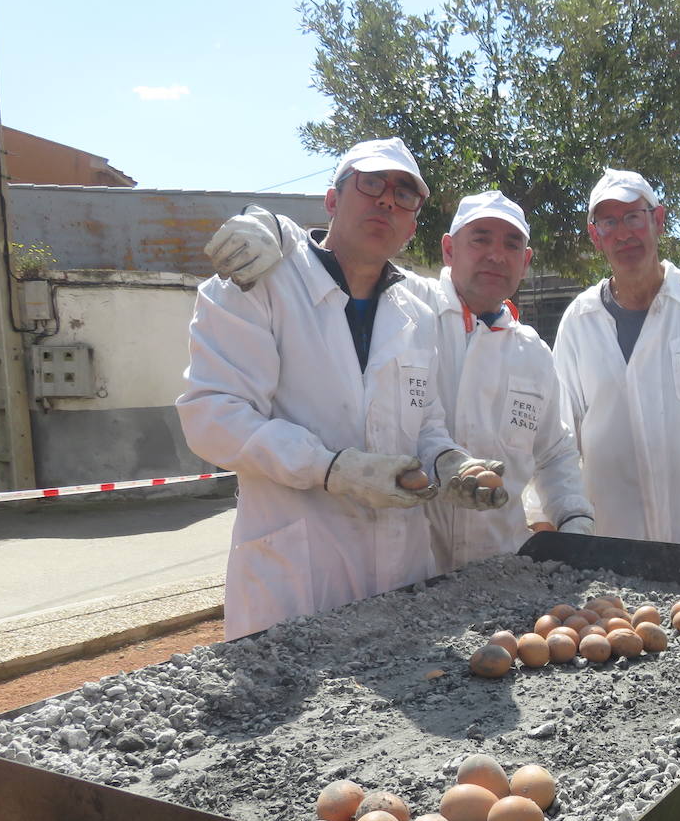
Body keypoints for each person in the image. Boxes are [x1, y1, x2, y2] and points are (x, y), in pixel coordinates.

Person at [179, 137, 508, 821]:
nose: (388, 204)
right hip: (294, 580)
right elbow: (210, 415)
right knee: (278, 809)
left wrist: (452, 464)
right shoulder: (264, 279)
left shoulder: (416, 313)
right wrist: (327, 467)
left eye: (406, 195)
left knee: (379, 787)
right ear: (333, 196)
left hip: (388, 592)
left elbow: (425, 423)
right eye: (373, 186)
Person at [206, 188, 595, 572]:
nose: (496, 255)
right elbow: (336, 255)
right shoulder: (404, 306)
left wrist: (574, 518)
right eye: (480, 239)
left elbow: (555, 452)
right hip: (416, 573)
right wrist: (273, 226)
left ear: (525, 261)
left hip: (503, 565)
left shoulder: (533, 354)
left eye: (511, 244)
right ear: (448, 249)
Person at [552, 169, 680, 544]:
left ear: (659, 220)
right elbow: (559, 437)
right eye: (608, 222)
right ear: (595, 237)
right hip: (610, 547)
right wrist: (565, 519)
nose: (623, 233)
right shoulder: (579, 321)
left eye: (634, 217)